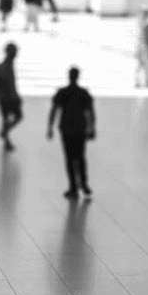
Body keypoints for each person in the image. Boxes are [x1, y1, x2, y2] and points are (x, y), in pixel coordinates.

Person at [47, 67, 95, 199]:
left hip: (67, 129)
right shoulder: (83, 93)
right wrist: (92, 128)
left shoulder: (63, 92)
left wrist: (50, 127)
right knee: (80, 157)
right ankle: (84, 183)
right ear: (78, 76)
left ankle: (73, 187)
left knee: (69, 158)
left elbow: (54, 110)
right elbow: (90, 111)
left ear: (69, 76)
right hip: (80, 128)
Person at [0, 42, 22, 151]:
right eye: (14, 51)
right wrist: (15, 96)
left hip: (4, 98)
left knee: (6, 119)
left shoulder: (8, 64)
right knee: (17, 117)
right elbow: (8, 83)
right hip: (8, 98)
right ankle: (5, 135)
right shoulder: (6, 66)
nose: (16, 53)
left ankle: (6, 139)